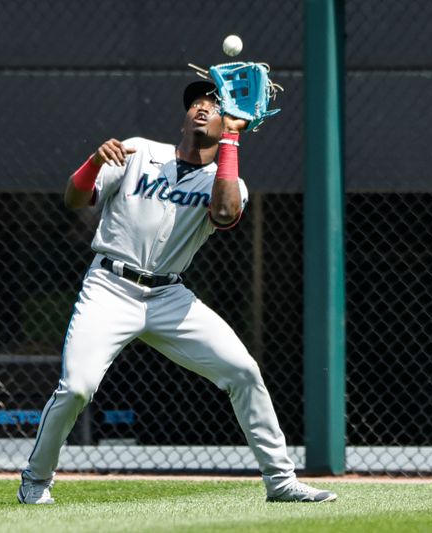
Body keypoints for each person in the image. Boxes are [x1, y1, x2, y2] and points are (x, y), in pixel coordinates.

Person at [17, 80, 338, 504]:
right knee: (77, 387)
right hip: (109, 287)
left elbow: (224, 213)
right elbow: (76, 199)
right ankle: (35, 482)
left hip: (169, 296)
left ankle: (280, 482)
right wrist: (94, 162)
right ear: (184, 117)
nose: (202, 107)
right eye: (197, 103)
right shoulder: (138, 151)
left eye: (214, 104)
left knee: (243, 371)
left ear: (230, 123)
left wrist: (232, 140)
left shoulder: (228, 181)